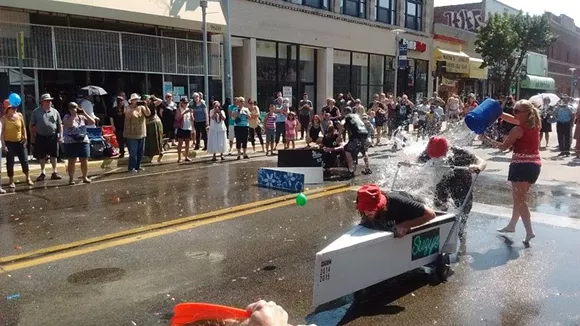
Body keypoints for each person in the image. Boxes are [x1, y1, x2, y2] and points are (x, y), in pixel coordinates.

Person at [482, 100, 541, 244]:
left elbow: (503, 147)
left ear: (524, 114)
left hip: (521, 166)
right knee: (519, 199)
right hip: (534, 165)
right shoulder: (536, 124)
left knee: (521, 200)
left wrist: (487, 139)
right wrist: (499, 114)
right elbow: (513, 119)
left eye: (516, 111)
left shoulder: (517, 130)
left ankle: (529, 231)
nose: (514, 113)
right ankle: (512, 226)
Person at [415, 136, 486, 237]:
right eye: (434, 157)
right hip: (443, 178)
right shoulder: (429, 151)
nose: (436, 158)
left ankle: (462, 229)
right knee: (439, 204)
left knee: (464, 208)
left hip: (461, 180)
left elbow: (482, 161)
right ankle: (442, 228)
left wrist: (478, 166)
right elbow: (417, 162)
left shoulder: (458, 152)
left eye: (438, 156)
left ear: (447, 151)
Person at [356, 184, 437, 237]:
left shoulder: (397, 202)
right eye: (364, 209)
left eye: (371, 209)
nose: (367, 212)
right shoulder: (365, 210)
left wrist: (405, 225)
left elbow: (431, 214)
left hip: (414, 209)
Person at [30, 93, 63, 182]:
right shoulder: (36, 112)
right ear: (42, 102)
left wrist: (60, 136)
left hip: (52, 136)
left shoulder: (55, 111)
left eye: (50, 100)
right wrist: (33, 136)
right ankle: (43, 172)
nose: (49, 102)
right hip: (40, 136)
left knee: (54, 155)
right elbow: (32, 125)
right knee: (42, 156)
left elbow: (59, 124)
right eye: (47, 100)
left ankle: (54, 172)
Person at [62, 102, 95, 185]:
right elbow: (69, 124)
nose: (75, 110)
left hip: (83, 140)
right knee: (72, 160)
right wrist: (73, 116)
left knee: (84, 159)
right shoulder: (67, 117)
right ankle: (71, 178)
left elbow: (92, 122)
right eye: (73, 108)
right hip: (71, 141)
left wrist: (85, 114)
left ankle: (85, 177)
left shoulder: (82, 116)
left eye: (76, 108)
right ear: (69, 109)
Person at [1, 105, 33, 188]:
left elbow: (23, 127)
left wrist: (25, 136)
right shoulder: (3, 119)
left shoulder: (19, 115)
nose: (15, 109)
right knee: (10, 162)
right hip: (9, 143)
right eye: (13, 108)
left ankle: (28, 178)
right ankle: (11, 180)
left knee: (24, 160)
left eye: (15, 107)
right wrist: (3, 145)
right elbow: (1, 133)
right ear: (8, 109)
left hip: (20, 142)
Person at [124, 93, 151, 172]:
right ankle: (131, 167)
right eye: (134, 100)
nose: (136, 101)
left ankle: (137, 166)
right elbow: (127, 115)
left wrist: (146, 105)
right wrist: (133, 108)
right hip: (131, 134)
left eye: (137, 99)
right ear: (131, 101)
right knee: (133, 152)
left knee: (140, 152)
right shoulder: (128, 108)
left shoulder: (141, 107)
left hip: (141, 132)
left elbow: (148, 114)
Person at [143, 95, 164, 162]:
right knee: (149, 140)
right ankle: (150, 155)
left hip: (155, 122)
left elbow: (160, 101)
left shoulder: (153, 104)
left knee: (157, 137)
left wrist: (155, 98)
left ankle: (160, 151)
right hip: (148, 124)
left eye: (149, 99)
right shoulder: (142, 107)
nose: (148, 100)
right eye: (146, 99)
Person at [175, 97, 195, 163]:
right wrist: (184, 113)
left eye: (187, 103)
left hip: (188, 127)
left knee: (187, 143)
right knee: (180, 143)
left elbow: (192, 119)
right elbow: (177, 118)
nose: (186, 104)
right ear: (181, 103)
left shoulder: (189, 109)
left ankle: (186, 156)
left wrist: (192, 114)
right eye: (184, 103)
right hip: (181, 127)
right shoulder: (179, 109)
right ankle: (179, 158)